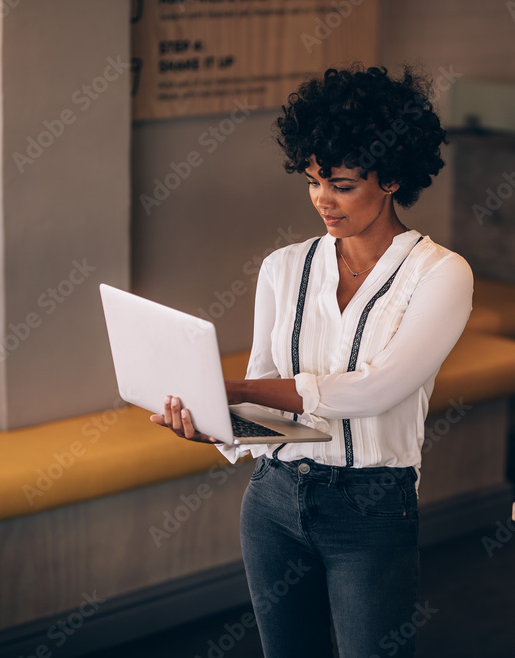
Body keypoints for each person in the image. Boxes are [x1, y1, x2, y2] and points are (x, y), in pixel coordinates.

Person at [150, 65, 472, 657]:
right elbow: (269, 397)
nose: (323, 199)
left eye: (343, 184)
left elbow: (377, 390)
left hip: (371, 507)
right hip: (272, 499)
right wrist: (213, 425)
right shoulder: (284, 267)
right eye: (313, 180)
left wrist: (232, 387)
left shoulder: (441, 275)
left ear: (394, 177)